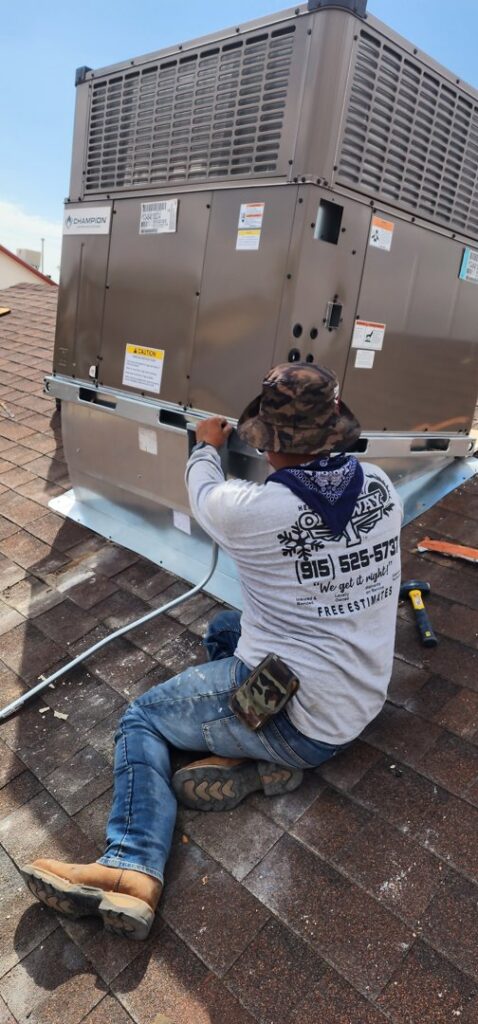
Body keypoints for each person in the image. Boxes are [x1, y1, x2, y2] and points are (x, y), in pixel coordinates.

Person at [21, 363, 402, 940]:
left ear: (270, 442)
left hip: (304, 719)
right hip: (360, 701)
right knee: (227, 628)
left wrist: (206, 444)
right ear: (335, 431)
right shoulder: (380, 485)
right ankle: (253, 760)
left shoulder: (252, 511)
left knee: (142, 718)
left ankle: (130, 866)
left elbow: (202, 490)